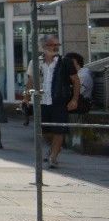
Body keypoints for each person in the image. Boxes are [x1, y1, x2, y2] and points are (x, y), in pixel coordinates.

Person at [23, 35, 81, 168]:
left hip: (59, 101)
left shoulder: (65, 62)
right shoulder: (35, 62)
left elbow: (76, 81)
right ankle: (54, 149)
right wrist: (26, 97)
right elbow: (31, 82)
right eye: (51, 44)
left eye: (57, 45)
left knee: (59, 130)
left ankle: (53, 157)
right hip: (42, 102)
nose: (55, 47)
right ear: (43, 47)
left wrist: (74, 99)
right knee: (45, 130)